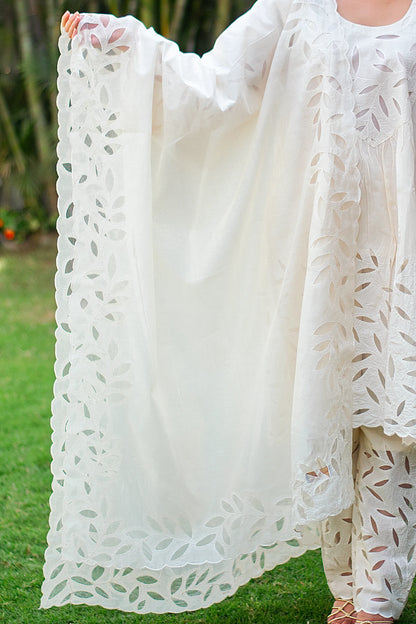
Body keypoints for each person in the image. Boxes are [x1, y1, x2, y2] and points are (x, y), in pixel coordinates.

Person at [42, 2, 416, 623]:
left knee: (389, 412)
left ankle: (377, 592)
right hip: (317, 246)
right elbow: (215, 89)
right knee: (326, 407)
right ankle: (349, 579)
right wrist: (128, 49)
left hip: (403, 246)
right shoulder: (294, 6)